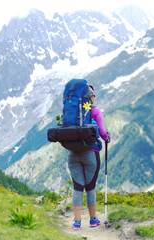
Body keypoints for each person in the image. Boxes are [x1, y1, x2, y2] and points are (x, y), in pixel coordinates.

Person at [68, 84, 110, 230]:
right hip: (91, 154)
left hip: (73, 155)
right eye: (93, 96)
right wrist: (107, 138)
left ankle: (77, 222)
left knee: (78, 187)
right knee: (90, 186)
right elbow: (102, 131)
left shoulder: (72, 113)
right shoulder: (95, 111)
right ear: (90, 97)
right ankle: (92, 220)